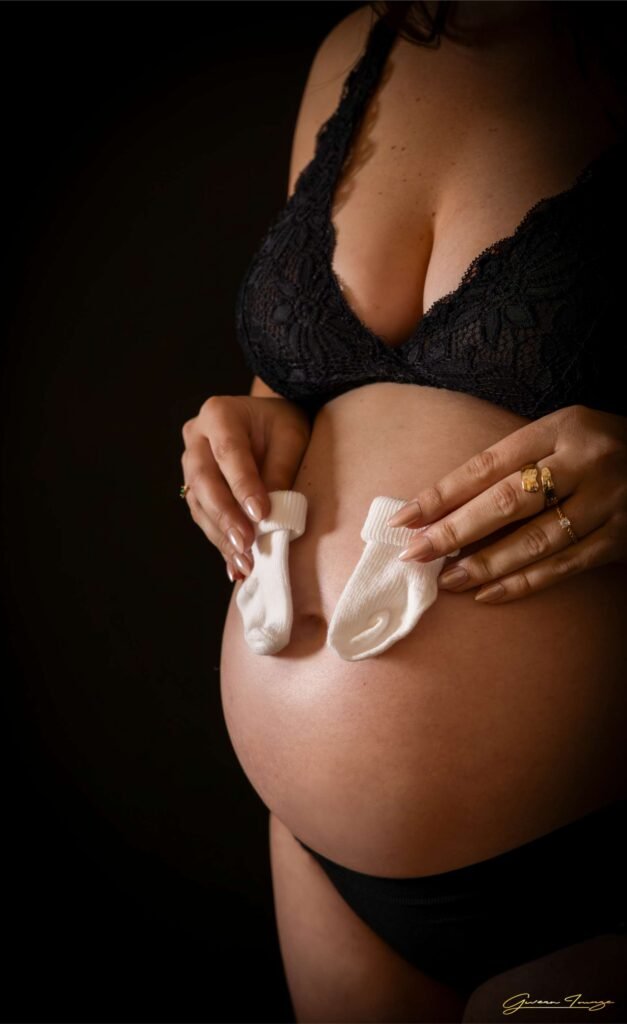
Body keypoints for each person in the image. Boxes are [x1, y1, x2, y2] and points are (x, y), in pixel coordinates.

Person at [180, 2, 627, 1020]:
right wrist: (254, 419)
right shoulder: (364, 42)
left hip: (589, 844)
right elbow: (294, 384)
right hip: (322, 860)